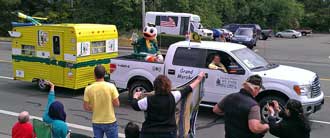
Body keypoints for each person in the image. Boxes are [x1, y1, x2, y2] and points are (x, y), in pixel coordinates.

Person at [131, 72, 205, 138]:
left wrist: (135, 96)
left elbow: (135, 106)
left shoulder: (148, 100)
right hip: (169, 133)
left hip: (149, 133)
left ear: (155, 87)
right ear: (168, 85)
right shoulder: (173, 96)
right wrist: (198, 79)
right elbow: (188, 89)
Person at [83, 65, 120, 138]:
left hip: (96, 121)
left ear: (94, 74)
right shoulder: (111, 86)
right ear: (104, 74)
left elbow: (86, 107)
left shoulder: (88, 89)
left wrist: (94, 107)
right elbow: (117, 104)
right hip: (110, 120)